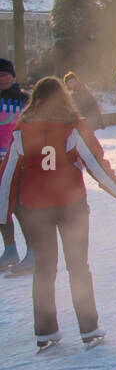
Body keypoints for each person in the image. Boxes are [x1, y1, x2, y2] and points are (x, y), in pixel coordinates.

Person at [0, 76, 116, 350]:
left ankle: (45, 331)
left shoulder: (22, 129)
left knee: (44, 270)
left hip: (36, 209)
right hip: (71, 206)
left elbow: (9, 174)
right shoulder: (73, 127)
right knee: (78, 267)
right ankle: (89, 328)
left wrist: (3, 213)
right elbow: (96, 164)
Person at [0, 58, 33, 272]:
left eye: (4, 74)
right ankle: (10, 249)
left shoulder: (25, 100)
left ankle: (33, 251)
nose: (1, 78)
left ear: (13, 76)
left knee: (21, 207)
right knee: (1, 207)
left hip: (20, 161)